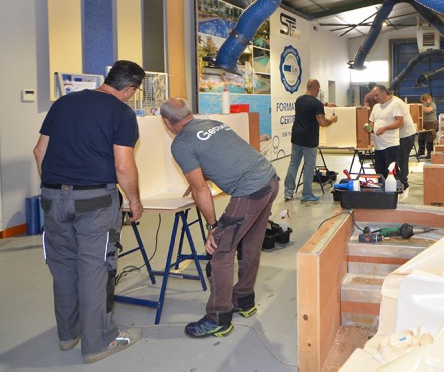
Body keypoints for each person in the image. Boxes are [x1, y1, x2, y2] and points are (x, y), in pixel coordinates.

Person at [32, 60, 145, 364]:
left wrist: (55, 190)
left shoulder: (64, 103)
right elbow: (123, 165)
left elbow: (39, 152)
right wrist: (134, 200)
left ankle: (68, 335)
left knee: (63, 267)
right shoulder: (121, 112)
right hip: (95, 200)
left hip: (52, 196)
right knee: (95, 269)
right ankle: (99, 342)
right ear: (131, 89)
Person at [160, 97, 279, 338]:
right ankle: (244, 301)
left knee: (219, 251)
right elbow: (224, 160)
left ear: (166, 122)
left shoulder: (181, 143)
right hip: (270, 180)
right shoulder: (213, 123)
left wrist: (213, 227)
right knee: (250, 246)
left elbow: (201, 190)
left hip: (250, 191)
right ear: (188, 113)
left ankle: (219, 317)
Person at [283, 79, 338, 203]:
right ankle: (306, 195)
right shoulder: (316, 104)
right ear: (315, 88)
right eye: (318, 89)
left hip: (297, 137)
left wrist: (325, 104)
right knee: (309, 166)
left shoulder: (299, 100)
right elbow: (323, 123)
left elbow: (310, 106)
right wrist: (332, 120)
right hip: (309, 139)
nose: (318, 91)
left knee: (293, 164)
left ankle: (288, 192)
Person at [366, 85, 403, 181]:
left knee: (392, 171)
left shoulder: (394, 105)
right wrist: (370, 127)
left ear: (384, 92)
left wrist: (385, 128)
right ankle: (383, 192)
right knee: (379, 171)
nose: (375, 98)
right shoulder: (376, 107)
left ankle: (400, 188)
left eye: (377, 95)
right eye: (374, 96)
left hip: (391, 145)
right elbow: (372, 121)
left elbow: (400, 122)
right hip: (378, 146)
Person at [393, 94, 417, 197]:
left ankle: (404, 183)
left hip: (406, 135)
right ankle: (401, 181)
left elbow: (400, 123)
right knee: (399, 159)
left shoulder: (395, 103)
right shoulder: (392, 102)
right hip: (403, 135)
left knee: (402, 159)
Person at [417, 93, 437, 159]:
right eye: (423, 101)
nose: (424, 102)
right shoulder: (423, 105)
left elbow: (428, 110)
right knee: (421, 138)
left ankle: (430, 153)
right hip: (423, 123)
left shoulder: (432, 104)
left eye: (425, 100)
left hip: (431, 123)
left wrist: (419, 107)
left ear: (429, 99)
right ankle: (421, 152)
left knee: (429, 138)